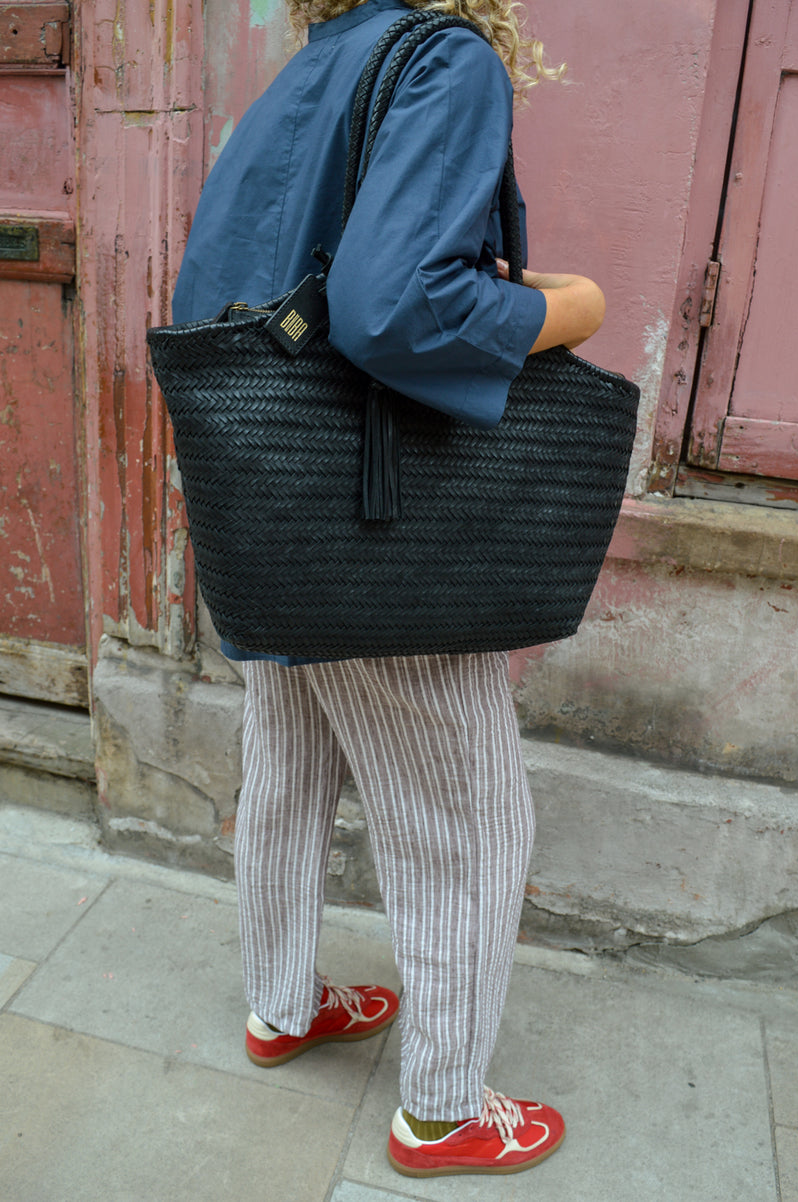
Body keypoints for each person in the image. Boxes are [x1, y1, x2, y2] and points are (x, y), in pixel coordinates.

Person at [172, 0, 604, 1178]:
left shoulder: (317, 64)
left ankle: (281, 1004)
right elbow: (392, 307)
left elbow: (229, 285)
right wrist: (561, 309)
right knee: (468, 817)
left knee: (289, 763)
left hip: (268, 504)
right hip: (375, 522)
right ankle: (445, 1108)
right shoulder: (445, 58)